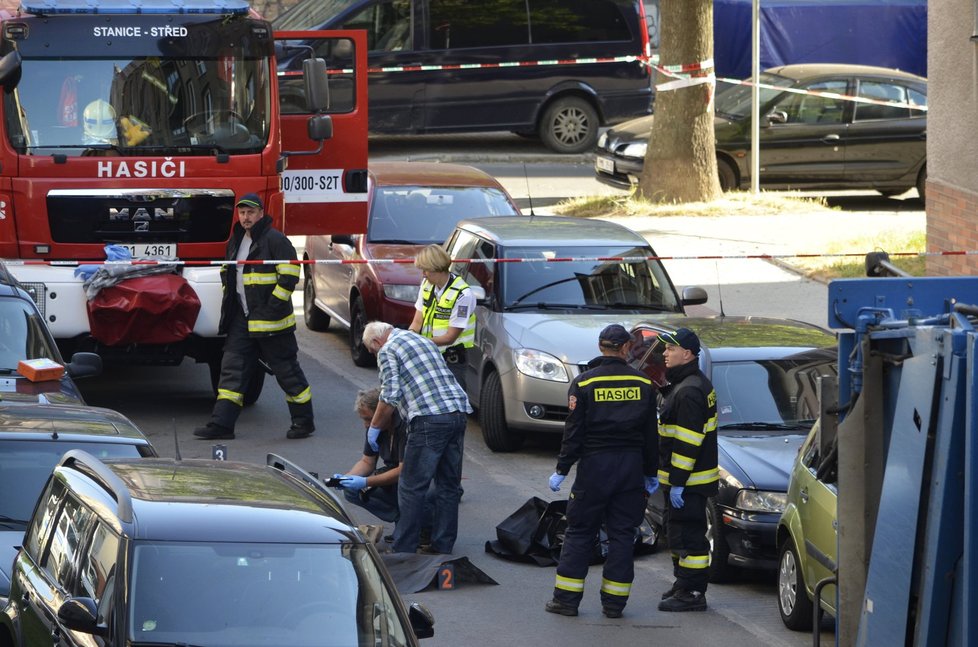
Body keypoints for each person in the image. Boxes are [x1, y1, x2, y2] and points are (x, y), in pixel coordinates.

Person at [544, 324, 658, 619]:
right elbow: (650, 435)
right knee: (622, 534)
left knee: (580, 532)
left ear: (600, 347)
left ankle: (566, 601)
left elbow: (574, 432)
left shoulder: (583, 384)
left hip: (595, 468)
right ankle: (614, 604)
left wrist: (562, 468)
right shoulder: (644, 383)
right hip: (630, 469)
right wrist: (650, 472)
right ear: (625, 349)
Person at [193, 193, 314, 441]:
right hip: (242, 318)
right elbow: (230, 277)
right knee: (231, 371)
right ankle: (222, 425)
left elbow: (290, 274)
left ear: (260, 213)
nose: (246, 217)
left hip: (273, 322)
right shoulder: (236, 240)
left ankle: (303, 422)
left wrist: (272, 308)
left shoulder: (276, 240)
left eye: (250, 213)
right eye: (242, 213)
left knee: (287, 372)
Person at [361, 320, 471, 554]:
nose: (375, 356)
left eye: (372, 351)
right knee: (448, 486)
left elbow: (389, 395)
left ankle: (404, 549)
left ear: (376, 341)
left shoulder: (387, 350)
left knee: (411, 486)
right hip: (458, 413)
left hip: (428, 418)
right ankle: (442, 547)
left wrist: (374, 427)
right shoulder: (423, 340)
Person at [655, 327, 718, 612]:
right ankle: (683, 583)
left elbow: (687, 443)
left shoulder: (689, 391)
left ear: (688, 354)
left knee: (689, 537)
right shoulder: (688, 384)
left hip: (689, 483)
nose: (664, 353)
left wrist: (678, 482)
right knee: (678, 533)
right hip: (683, 481)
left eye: (670, 349)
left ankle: (693, 592)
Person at [333, 387, 434, 533]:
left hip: (419, 475)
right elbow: (367, 462)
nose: (366, 425)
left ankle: (424, 529)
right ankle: (404, 520)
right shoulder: (375, 427)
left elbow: (403, 471)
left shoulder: (406, 426)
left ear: (384, 412)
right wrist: (348, 478)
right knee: (351, 492)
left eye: (368, 419)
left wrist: (365, 482)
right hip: (396, 476)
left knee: (423, 492)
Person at [407, 244, 475, 389]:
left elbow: (450, 337)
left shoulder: (463, 295)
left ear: (437, 268)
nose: (423, 274)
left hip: (451, 360)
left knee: (454, 404)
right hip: (430, 354)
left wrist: (418, 344)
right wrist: (410, 338)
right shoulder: (426, 285)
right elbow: (417, 321)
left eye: (426, 270)